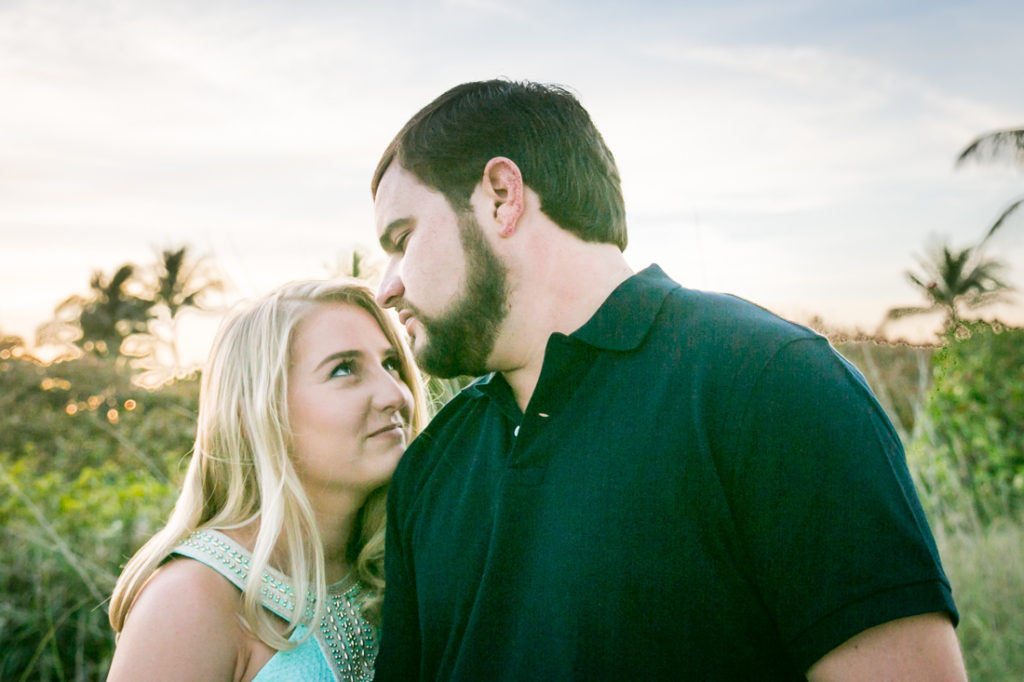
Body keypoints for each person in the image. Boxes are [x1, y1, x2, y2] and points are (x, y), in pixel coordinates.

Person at [369, 79, 968, 681]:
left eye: (403, 239)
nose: (386, 286)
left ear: (502, 195)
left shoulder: (772, 382)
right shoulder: (430, 468)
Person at [106, 280, 427, 681]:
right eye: (344, 369)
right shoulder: (191, 599)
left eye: (391, 363)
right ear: (254, 414)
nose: (394, 394)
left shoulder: (399, 568)